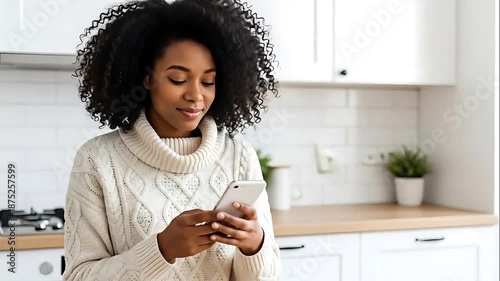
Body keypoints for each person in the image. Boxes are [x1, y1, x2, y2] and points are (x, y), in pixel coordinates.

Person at [62, 0, 281, 280]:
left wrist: (254, 246)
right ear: (146, 79)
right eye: (178, 79)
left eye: (208, 81)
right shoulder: (98, 159)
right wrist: (162, 250)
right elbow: (78, 276)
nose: (196, 95)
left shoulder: (239, 155)